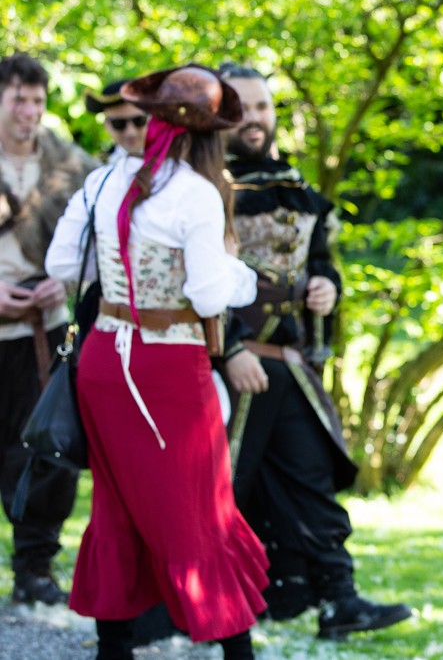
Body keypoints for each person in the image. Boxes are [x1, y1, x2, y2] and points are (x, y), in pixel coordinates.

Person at [45, 64, 267, 660]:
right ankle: (237, 652)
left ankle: (113, 649)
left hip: (103, 361)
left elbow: (61, 266)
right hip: (166, 368)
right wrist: (244, 277)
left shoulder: (101, 182)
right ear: (206, 135)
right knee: (198, 507)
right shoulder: (195, 192)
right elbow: (209, 297)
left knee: (115, 508)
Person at [217, 63, 412, 640]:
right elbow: (195, 280)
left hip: (290, 367)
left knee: (310, 480)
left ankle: (338, 599)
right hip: (232, 367)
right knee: (223, 488)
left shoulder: (298, 188)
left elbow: (319, 262)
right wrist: (229, 348)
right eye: (242, 108)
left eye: (263, 106)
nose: (255, 119)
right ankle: (203, 608)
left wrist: (327, 286)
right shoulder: (206, 189)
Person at [0, 52, 97, 605]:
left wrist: (65, 282)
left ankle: (34, 570)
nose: (29, 111)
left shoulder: (71, 165)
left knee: (45, 451)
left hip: (44, 332)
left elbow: (99, 240)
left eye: (37, 100)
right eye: (18, 98)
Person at [84, 80, 149, 161]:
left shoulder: (165, 157)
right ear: (106, 125)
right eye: (119, 123)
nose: (131, 132)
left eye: (139, 120)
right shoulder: (101, 165)